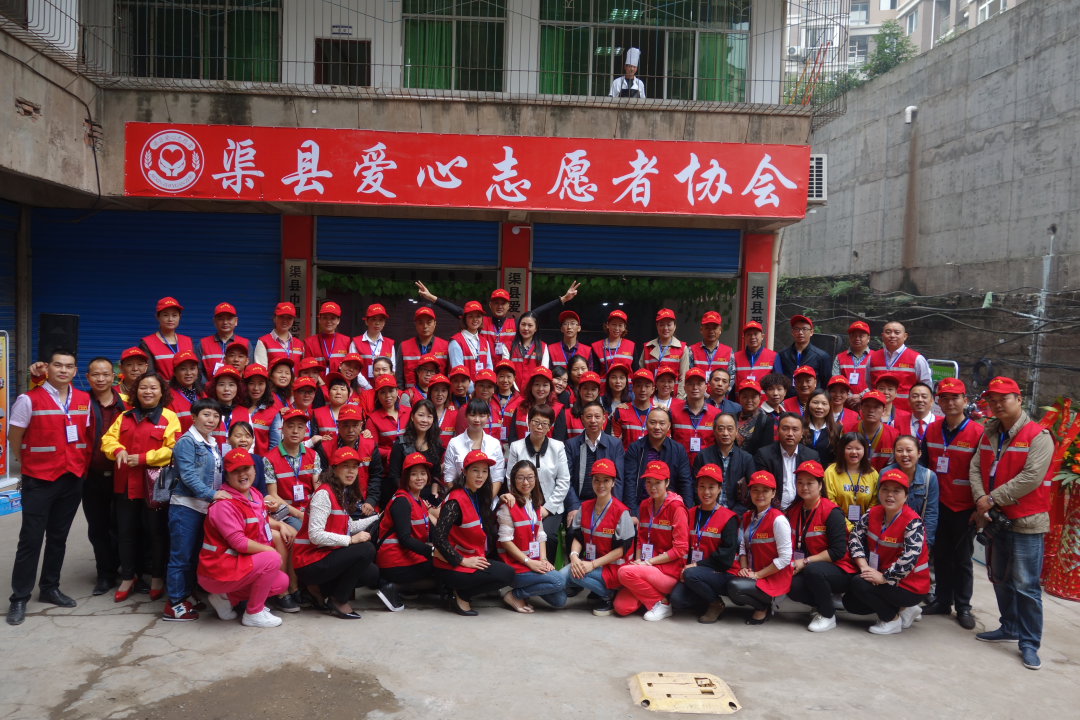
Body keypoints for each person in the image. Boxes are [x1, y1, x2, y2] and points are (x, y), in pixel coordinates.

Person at [970, 376, 1054, 670]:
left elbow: (1031, 477)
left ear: (1019, 400)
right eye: (992, 400)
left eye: (1003, 399)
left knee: (1026, 586)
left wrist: (991, 499)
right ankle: (1009, 626)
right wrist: (981, 499)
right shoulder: (989, 433)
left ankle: (1029, 643)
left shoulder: (1038, 435)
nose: (996, 405)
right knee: (1000, 578)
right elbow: (975, 468)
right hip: (995, 520)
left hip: (1026, 522)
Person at [5, 349, 92, 626]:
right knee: (30, 539)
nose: (63, 370)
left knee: (58, 537)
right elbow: (14, 437)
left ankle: (50, 588)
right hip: (40, 479)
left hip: (72, 477)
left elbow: (83, 435)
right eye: (58, 365)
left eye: (69, 366)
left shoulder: (84, 399)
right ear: (48, 369)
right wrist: (27, 464)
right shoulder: (28, 399)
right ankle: (19, 597)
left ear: (75, 371)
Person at [101, 373, 181, 609]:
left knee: (156, 533)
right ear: (135, 392)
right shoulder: (124, 416)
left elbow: (173, 449)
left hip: (157, 484)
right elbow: (107, 440)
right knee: (126, 533)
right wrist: (117, 451)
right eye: (143, 387)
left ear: (161, 392)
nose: (148, 392)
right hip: (126, 483)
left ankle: (157, 576)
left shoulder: (169, 417)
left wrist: (145, 458)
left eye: (153, 388)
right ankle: (128, 577)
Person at [197, 448, 291, 627]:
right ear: (226, 475)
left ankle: (226, 598)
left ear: (255, 470)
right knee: (272, 558)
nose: (242, 474)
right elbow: (239, 543)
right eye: (235, 471)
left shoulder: (255, 494)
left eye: (246, 468)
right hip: (217, 571)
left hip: (239, 565)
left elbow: (261, 522)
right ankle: (253, 613)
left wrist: (280, 525)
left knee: (281, 582)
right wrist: (270, 551)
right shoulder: (224, 504)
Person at [292, 447, 383, 619]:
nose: (351, 471)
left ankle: (318, 590)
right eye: (345, 466)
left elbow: (349, 526)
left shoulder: (341, 492)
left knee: (372, 573)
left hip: (325, 555)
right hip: (308, 561)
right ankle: (338, 599)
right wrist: (351, 540)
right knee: (366, 549)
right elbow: (315, 535)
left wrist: (377, 519)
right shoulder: (324, 494)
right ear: (334, 469)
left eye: (354, 467)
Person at [922, 377, 983, 629]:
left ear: (965, 401)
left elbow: (983, 471)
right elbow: (924, 465)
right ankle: (942, 600)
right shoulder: (932, 429)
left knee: (963, 559)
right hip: (938, 505)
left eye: (955, 398)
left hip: (964, 507)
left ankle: (964, 606)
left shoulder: (978, 433)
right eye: (944, 398)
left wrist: (979, 508)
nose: (949, 402)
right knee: (942, 555)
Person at [843, 468, 931, 635]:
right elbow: (855, 537)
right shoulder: (873, 513)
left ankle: (892, 620)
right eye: (885, 489)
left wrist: (884, 578)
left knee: (859, 584)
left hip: (910, 586)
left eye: (896, 491)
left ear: (906, 496)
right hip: (880, 575)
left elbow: (909, 558)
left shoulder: (913, 523)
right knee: (851, 603)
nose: (890, 495)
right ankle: (905, 609)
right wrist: (864, 567)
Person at [432, 450, 516, 616]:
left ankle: (460, 592)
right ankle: (461, 594)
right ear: (464, 471)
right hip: (451, 566)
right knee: (507, 575)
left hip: (471, 558)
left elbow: (480, 523)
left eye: (485, 471)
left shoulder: (476, 495)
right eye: (475, 470)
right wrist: (462, 561)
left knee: (508, 573)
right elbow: (438, 537)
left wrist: (500, 502)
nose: (480, 476)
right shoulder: (455, 500)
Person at [167, 397, 229, 620]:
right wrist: (213, 494)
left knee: (193, 557)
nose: (211, 419)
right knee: (180, 557)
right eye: (206, 414)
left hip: (203, 508)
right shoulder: (187, 441)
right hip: (185, 507)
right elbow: (188, 476)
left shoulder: (211, 442)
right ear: (193, 417)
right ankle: (174, 604)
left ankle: (186, 594)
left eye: (215, 416)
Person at [417, 281, 577, 361]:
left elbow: (536, 313)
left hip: (506, 376)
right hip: (484, 373)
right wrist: (432, 298)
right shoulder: (481, 322)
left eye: (503, 303)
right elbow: (459, 311)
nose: (499, 306)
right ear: (490, 305)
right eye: (496, 303)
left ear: (508, 306)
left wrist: (562, 299)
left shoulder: (516, 324)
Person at [785, 460, 857, 632]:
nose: (804, 487)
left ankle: (827, 615)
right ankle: (822, 603)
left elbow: (838, 551)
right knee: (791, 585)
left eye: (810, 483)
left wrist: (806, 561)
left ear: (820, 485)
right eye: (800, 482)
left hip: (840, 569)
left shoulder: (831, 511)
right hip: (809, 567)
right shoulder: (794, 511)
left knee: (813, 570)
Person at [615, 461, 688, 619]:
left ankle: (663, 604)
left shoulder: (677, 508)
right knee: (621, 607)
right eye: (648, 482)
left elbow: (680, 549)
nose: (652, 487)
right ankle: (652, 597)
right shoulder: (644, 505)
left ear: (667, 482)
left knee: (624, 572)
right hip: (646, 568)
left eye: (657, 482)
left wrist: (648, 563)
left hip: (668, 573)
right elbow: (640, 539)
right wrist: (638, 561)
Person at [669, 464, 740, 623]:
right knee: (677, 600)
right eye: (702, 486)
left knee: (690, 574)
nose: (706, 492)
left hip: (722, 572)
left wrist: (696, 565)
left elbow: (726, 558)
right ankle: (705, 599)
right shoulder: (689, 513)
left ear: (720, 489)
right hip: (695, 573)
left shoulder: (728, 518)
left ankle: (715, 603)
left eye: (711, 487)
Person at [498, 460, 568, 611]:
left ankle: (524, 591)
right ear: (513, 479)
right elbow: (505, 541)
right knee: (559, 580)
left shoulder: (535, 503)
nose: (526, 482)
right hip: (516, 567)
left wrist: (543, 559)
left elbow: (540, 535)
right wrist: (529, 562)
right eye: (520, 478)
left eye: (530, 477)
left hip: (533, 563)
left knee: (559, 600)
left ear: (536, 479)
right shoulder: (508, 505)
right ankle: (515, 595)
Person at [506, 404, 571, 561]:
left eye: (544, 424)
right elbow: (510, 479)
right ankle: (525, 567)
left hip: (551, 505)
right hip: (523, 503)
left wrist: (547, 509)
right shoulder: (516, 447)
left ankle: (546, 569)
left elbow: (564, 481)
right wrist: (525, 504)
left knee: (549, 535)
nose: (539, 427)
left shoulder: (558, 447)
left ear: (550, 426)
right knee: (524, 533)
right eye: (536, 422)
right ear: (528, 422)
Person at [728, 471, 793, 625]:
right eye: (755, 490)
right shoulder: (749, 516)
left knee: (734, 587)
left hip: (773, 579)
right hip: (754, 573)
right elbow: (743, 546)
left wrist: (757, 575)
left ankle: (763, 606)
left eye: (765, 490)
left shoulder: (778, 520)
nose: (759, 494)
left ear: (773, 493)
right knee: (727, 583)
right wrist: (744, 568)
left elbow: (785, 558)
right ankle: (760, 601)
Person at [83, 356, 124, 596]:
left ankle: (126, 569)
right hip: (92, 476)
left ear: (113, 377)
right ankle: (105, 574)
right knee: (97, 527)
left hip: (122, 475)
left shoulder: (127, 405)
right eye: (95, 374)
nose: (101, 379)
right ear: (87, 377)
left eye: (105, 374)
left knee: (123, 525)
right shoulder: (79, 402)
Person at [376, 452, 438, 604]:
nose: (419, 478)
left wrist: (449, 547)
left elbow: (432, 530)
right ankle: (395, 588)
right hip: (394, 562)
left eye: (423, 473)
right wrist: (433, 552)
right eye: (414, 474)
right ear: (405, 477)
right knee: (445, 568)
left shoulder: (418, 500)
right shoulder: (402, 501)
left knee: (448, 562)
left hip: (406, 558)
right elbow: (405, 539)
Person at [565, 400, 625, 521]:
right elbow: (566, 479)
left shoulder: (615, 444)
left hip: (605, 501)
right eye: (588, 417)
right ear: (582, 419)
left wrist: (614, 505)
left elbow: (619, 479)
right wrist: (573, 506)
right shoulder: (571, 444)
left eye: (597, 416)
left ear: (604, 419)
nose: (593, 420)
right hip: (579, 502)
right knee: (573, 529)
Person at [625, 407, 693, 513]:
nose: (657, 427)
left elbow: (685, 482)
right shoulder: (635, 448)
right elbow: (630, 481)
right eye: (653, 423)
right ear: (646, 424)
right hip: (641, 505)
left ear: (669, 426)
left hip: (669, 505)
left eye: (662, 423)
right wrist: (632, 512)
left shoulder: (678, 449)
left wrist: (687, 511)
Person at [753, 412, 819, 511]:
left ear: (802, 433)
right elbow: (762, 487)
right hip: (773, 509)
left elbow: (815, 488)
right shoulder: (764, 455)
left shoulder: (811, 456)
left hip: (802, 509)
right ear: (778, 432)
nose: (790, 434)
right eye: (785, 429)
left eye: (795, 429)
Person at [692, 413, 755, 516]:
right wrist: (707, 509)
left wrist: (732, 515)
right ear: (714, 431)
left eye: (730, 429)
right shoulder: (702, 456)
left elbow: (751, 490)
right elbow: (695, 487)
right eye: (721, 429)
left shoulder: (746, 458)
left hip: (736, 516)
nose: (725, 433)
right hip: (707, 513)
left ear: (736, 431)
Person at [882, 435, 939, 548]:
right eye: (899, 450)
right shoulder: (885, 473)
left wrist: (926, 544)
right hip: (891, 535)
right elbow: (881, 508)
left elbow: (931, 513)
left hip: (917, 536)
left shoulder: (929, 477)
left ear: (919, 453)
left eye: (909, 450)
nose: (904, 454)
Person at [443, 398, 506, 495]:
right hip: (461, 497)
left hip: (488, 498)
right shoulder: (454, 443)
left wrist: (488, 500)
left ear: (488, 417)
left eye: (482, 415)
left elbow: (497, 477)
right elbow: (449, 477)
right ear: (465, 416)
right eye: (472, 415)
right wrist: (463, 500)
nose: (477, 419)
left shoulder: (494, 444)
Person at [386, 399, 443, 506]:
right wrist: (414, 498)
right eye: (421, 415)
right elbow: (394, 476)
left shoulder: (436, 443)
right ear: (412, 417)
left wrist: (434, 494)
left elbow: (436, 473)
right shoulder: (400, 444)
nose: (425, 420)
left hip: (429, 496)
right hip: (407, 496)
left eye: (429, 416)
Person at [868, 321, 932, 412]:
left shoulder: (917, 359)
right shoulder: (872, 358)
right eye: (888, 332)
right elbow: (869, 383)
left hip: (907, 412)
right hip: (878, 412)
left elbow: (926, 387)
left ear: (905, 336)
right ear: (882, 336)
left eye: (897, 332)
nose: (892, 335)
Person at [824, 431, 880, 529]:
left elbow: (874, 503)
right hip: (838, 524)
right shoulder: (830, 472)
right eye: (849, 448)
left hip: (865, 526)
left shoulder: (873, 473)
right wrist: (849, 527)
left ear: (864, 450)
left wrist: (862, 526)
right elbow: (830, 502)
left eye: (858, 448)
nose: (854, 452)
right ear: (842, 450)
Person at [669, 368, 720, 467]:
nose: (695, 387)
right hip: (680, 467)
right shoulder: (673, 412)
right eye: (690, 383)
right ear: (684, 388)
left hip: (707, 467)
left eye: (699, 384)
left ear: (705, 388)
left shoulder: (716, 414)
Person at [506, 366, 567, 443]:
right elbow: (512, 436)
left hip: (547, 450)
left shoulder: (558, 409)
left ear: (550, 387)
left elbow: (558, 440)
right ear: (531, 386)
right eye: (537, 384)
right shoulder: (520, 406)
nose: (540, 389)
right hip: (520, 450)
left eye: (545, 385)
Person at [140, 297, 194, 382]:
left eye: (174, 315)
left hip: (186, 388)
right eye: (166, 315)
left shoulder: (188, 341)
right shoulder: (147, 343)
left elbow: (195, 370)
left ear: (179, 317)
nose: (170, 319)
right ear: (157, 317)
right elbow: (150, 373)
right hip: (162, 388)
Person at [398, 306, 449, 391]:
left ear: (435, 324)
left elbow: (448, 375)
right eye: (420, 323)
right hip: (411, 396)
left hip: (437, 395)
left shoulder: (445, 346)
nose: (425, 326)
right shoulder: (404, 346)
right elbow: (399, 379)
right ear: (415, 324)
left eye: (429, 322)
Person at [639, 308, 689, 397]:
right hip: (650, 397)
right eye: (661, 324)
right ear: (657, 326)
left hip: (673, 397)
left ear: (675, 326)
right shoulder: (647, 348)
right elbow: (641, 375)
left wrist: (679, 400)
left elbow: (684, 378)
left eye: (669, 324)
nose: (665, 328)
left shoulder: (682, 348)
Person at [197, 302, 249, 381]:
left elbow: (249, 371)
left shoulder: (245, 343)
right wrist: (208, 386)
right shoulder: (203, 343)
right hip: (208, 388)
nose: (225, 322)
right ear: (214, 321)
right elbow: (198, 370)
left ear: (236, 321)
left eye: (229, 319)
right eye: (221, 319)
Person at [365, 374, 410, 466]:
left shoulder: (409, 412)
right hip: (387, 468)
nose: (387, 395)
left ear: (397, 392)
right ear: (377, 396)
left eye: (391, 391)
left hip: (410, 464)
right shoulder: (372, 419)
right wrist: (394, 454)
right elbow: (372, 448)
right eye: (382, 392)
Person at [777, 315, 830, 392]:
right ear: (792, 332)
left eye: (804, 329)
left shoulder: (821, 356)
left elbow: (826, 383)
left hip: (812, 398)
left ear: (811, 332)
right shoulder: (783, 354)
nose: (800, 332)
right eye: (797, 329)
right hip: (788, 397)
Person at [238, 364, 282, 455]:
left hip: (260, 462)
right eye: (251, 383)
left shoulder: (273, 413)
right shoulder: (236, 407)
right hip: (236, 460)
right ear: (245, 385)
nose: (256, 388)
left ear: (266, 385)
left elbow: (274, 446)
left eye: (261, 383)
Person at [447, 301, 494, 378]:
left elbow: (489, 367)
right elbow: (458, 371)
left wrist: (484, 383)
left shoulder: (485, 342)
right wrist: (473, 386)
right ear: (464, 318)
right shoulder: (456, 341)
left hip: (482, 385)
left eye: (478, 316)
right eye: (471, 316)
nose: (475, 319)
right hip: (462, 385)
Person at [303, 301, 352, 375]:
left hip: (340, 381)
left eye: (332, 318)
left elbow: (350, 366)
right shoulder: (309, 343)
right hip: (316, 381)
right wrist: (321, 382)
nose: (328, 321)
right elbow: (308, 369)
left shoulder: (347, 341)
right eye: (325, 318)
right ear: (319, 320)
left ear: (338, 321)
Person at [612, 368, 654, 452]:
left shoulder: (660, 413)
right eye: (638, 385)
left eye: (647, 386)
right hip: (628, 458)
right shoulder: (620, 412)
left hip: (653, 459)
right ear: (632, 388)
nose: (642, 389)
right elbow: (614, 444)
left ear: (652, 389)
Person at [857, 391, 899, 471]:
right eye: (867, 406)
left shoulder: (894, 435)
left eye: (876, 407)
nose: (871, 410)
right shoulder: (847, 430)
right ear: (861, 408)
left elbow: (892, 467)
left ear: (884, 411)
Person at [253, 302, 305, 368]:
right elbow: (261, 370)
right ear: (274, 318)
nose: (285, 321)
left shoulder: (299, 344)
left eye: (289, 318)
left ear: (293, 321)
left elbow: (303, 369)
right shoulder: (263, 342)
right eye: (281, 317)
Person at [206, 365, 245, 449]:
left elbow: (250, 444)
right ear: (214, 387)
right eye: (221, 384)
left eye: (231, 385)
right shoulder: (206, 412)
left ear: (237, 388)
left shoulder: (245, 412)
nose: (226, 389)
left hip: (239, 456)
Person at [311, 372, 351, 452]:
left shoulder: (356, 412)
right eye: (334, 389)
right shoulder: (317, 413)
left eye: (342, 389)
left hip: (349, 455)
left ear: (348, 395)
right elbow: (313, 440)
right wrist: (321, 441)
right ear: (328, 393)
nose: (338, 392)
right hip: (324, 454)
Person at [731, 321, 777, 390]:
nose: (752, 337)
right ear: (744, 338)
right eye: (749, 334)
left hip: (763, 397)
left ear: (762, 336)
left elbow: (777, 383)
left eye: (756, 334)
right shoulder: (735, 357)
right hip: (741, 397)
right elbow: (731, 383)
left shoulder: (773, 356)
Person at [833, 320, 872, 400]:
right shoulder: (839, 358)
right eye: (853, 335)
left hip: (869, 402)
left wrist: (861, 396)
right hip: (844, 402)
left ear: (868, 339)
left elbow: (877, 383)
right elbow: (836, 381)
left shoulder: (875, 357)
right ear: (849, 338)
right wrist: (849, 397)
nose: (857, 338)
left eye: (861, 336)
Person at [801, 389, 839, 468]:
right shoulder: (799, 426)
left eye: (824, 403)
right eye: (815, 402)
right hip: (802, 473)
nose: (819, 407)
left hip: (826, 473)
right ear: (808, 404)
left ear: (830, 406)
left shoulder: (837, 429)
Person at [591, 309, 635, 376]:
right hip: (604, 383)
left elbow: (635, 371)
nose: (616, 328)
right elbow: (595, 373)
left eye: (620, 325)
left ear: (624, 327)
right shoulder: (596, 346)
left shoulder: (631, 345)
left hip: (626, 383)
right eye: (614, 324)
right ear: (608, 325)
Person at [733, 379, 771, 457]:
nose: (749, 400)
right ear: (739, 397)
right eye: (745, 396)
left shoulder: (766, 421)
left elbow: (765, 451)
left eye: (753, 397)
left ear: (760, 398)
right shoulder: (731, 418)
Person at [564, 371, 603, 439]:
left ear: (598, 392)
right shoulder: (566, 414)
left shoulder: (604, 416)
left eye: (593, 389)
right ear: (579, 390)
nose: (589, 392)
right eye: (586, 388)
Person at [429, 374, 458, 446]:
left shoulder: (455, 415)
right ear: (430, 392)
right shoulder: (422, 413)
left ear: (448, 393)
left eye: (444, 390)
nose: (440, 394)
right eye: (436, 390)